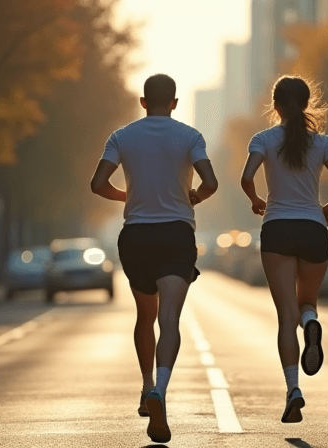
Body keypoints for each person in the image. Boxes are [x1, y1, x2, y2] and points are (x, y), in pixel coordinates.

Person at [91, 74, 218, 443]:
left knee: (145, 316)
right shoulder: (190, 136)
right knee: (170, 318)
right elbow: (210, 183)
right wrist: (193, 196)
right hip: (177, 234)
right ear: (175, 103)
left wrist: (127, 196)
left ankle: (146, 387)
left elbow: (97, 183)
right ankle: (161, 389)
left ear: (143, 102)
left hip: (137, 236)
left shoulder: (122, 137)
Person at [240, 75, 328, 423]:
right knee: (307, 303)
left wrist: (256, 199)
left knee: (285, 317)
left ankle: (293, 390)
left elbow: (246, 177)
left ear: (275, 106)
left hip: (277, 229)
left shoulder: (263, 139)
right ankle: (312, 320)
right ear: (306, 104)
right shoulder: (324, 143)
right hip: (313, 229)